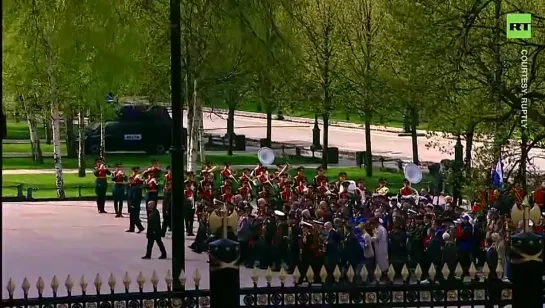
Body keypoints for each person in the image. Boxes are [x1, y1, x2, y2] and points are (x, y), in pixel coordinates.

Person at [127, 167, 145, 233]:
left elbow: (135, 197)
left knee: (135, 217)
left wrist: (132, 204)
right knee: (132, 217)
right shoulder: (130, 186)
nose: (129, 181)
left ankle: (141, 228)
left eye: (131, 180)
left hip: (134, 204)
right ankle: (131, 228)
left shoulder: (136, 188)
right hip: (131, 204)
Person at [161, 166, 172, 237]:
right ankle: (163, 231)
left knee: (171, 212)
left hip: (172, 195)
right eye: (169, 170)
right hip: (166, 195)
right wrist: (165, 189)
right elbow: (164, 185)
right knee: (165, 212)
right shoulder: (166, 177)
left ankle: (170, 226)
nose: (170, 171)